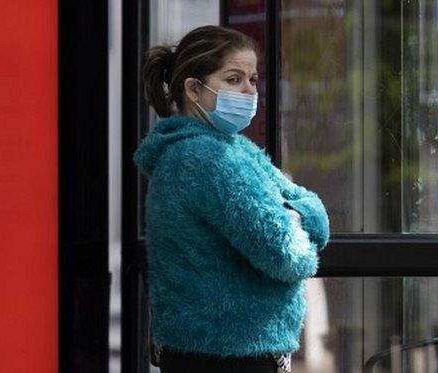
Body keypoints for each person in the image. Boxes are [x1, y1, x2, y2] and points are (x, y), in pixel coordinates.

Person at [133, 25, 329, 373]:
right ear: (194, 88)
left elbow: (305, 210)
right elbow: (286, 253)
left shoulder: (220, 151)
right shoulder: (212, 160)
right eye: (234, 79)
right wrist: (301, 216)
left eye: (253, 80)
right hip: (233, 355)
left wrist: (297, 213)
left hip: (202, 350)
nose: (249, 91)